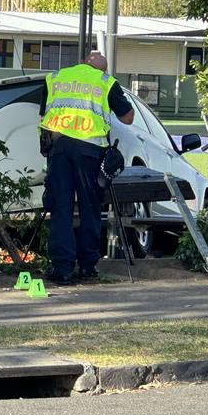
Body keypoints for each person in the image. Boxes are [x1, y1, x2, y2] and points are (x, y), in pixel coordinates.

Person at [39, 51, 134, 285]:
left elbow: (43, 115)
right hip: (90, 150)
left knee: (61, 207)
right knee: (90, 207)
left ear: (81, 63)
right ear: (102, 69)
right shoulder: (105, 82)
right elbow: (128, 117)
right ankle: (87, 267)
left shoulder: (56, 78)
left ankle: (62, 268)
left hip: (59, 147)